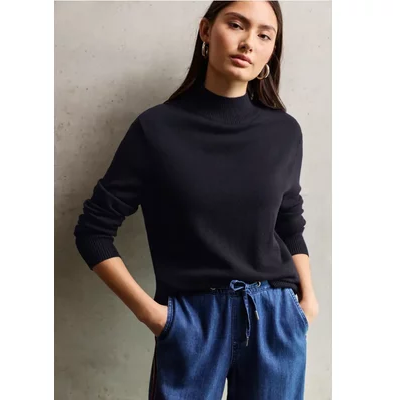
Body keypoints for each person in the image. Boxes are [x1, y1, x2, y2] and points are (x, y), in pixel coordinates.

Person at [74, 1, 320, 399]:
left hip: (275, 316)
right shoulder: (156, 129)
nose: (248, 42)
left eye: (264, 35)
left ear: (272, 51)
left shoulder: (284, 132)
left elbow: (289, 222)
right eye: (236, 25)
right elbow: (93, 231)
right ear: (206, 30)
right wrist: (155, 316)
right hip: (192, 321)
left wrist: (306, 303)